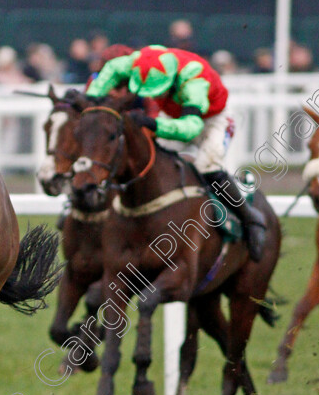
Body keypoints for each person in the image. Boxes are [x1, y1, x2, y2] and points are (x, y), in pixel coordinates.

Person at [85, 44, 267, 261]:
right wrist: (90, 98)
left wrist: (153, 124)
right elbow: (109, 72)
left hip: (211, 120)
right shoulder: (136, 62)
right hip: (175, 114)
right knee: (149, 157)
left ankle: (250, 219)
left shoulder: (194, 80)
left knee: (207, 166)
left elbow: (192, 128)